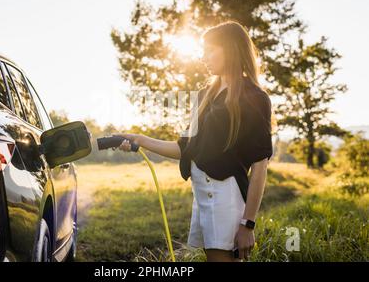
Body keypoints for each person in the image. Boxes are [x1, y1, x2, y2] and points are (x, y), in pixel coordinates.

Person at [115, 20, 273, 262]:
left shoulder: (255, 98)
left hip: (225, 197)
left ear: (230, 49)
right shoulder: (203, 97)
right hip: (202, 195)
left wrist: (247, 224)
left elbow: (260, 166)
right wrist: (139, 139)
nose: (203, 57)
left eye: (210, 50)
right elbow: (185, 149)